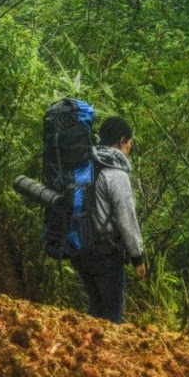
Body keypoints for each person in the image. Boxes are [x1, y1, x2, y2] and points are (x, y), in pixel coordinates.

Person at [73, 116, 146, 324]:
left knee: (95, 310)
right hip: (106, 254)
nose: (130, 147)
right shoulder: (116, 173)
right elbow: (127, 218)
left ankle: (88, 352)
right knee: (111, 316)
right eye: (130, 142)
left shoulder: (88, 164)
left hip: (82, 248)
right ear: (123, 141)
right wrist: (137, 257)